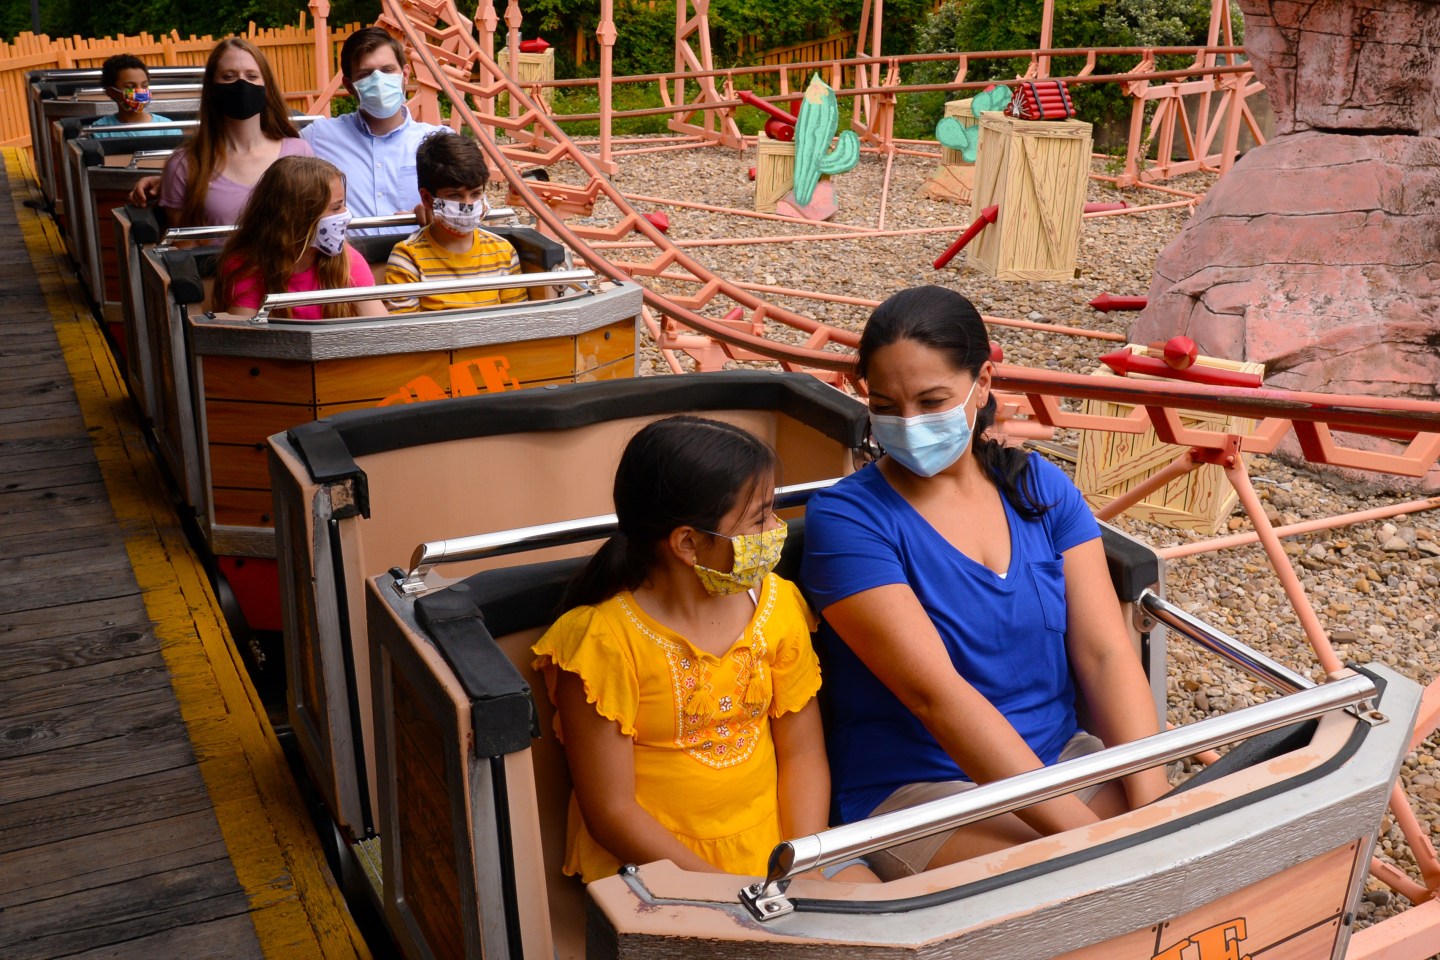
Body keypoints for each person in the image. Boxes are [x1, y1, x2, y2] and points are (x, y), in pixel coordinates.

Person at [801, 285, 1169, 880]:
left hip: (1062, 757)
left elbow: (1105, 652)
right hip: (923, 786)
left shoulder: (1038, 489)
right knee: (1076, 882)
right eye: (888, 406)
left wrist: (1155, 808)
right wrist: (1097, 841)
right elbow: (935, 694)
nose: (911, 423)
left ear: (984, 384)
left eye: (932, 401)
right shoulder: (848, 522)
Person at [531, 416, 833, 882]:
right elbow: (611, 811)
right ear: (688, 543)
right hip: (655, 876)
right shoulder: (603, 643)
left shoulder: (778, 606)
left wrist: (801, 865)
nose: (776, 529)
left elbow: (802, 753)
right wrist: (723, 893)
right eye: (760, 518)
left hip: (772, 857)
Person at [129, 38, 313, 227]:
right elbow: (183, 248)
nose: (242, 84)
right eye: (228, 77)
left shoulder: (299, 153)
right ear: (212, 89)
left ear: (267, 88)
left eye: (251, 76)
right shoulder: (185, 165)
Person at [301, 26, 450, 232]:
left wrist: (440, 212)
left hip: (420, 261)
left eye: (387, 70)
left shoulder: (440, 142)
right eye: (366, 74)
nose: (379, 80)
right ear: (349, 85)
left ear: (405, 75)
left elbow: (472, 205)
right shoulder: (317, 138)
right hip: (348, 262)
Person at [214, 156, 384, 321]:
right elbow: (244, 341)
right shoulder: (248, 266)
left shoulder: (347, 259)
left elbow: (381, 330)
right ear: (298, 217)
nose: (346, 216)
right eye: (336, 208)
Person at [383, 132, 523, 312]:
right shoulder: (407, 259)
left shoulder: (503, 252)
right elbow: (407, 334)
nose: (468, 205)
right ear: (427, 198)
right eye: (455, 196)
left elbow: (516, 322)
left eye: (475, 194)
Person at [92, 55, 173, 138]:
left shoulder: (167, 128)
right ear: (111, 92)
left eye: (144, 86)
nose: (140, 91)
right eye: (130, 86)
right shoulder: (99, 130)